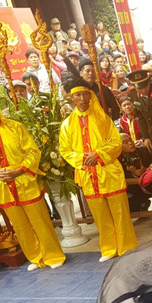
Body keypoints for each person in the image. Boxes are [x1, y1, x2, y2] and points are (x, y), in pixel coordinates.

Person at [0, 93, 65, 270]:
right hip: (2, 186)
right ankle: (36, 257)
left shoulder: (15, 127)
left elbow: (33, 152)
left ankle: (53, 255)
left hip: (24, 180)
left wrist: (19, 170)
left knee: (40, 220)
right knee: (20, 225)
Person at [59, 79, 137, 261]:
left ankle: (127, 247)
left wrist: (98, 155)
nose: (82, 98)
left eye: (85, 94)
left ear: (90, 96)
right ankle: (109, 248)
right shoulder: (67, 125)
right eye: (78, 95)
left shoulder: (103, 118)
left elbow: (116, 143)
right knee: (100, 215)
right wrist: (83, 159)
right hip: (87, 174)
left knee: (120, 212)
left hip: (109, 171)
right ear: (72, 98)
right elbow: (65, 150)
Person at [118, 133, 152, 212]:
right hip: (133, 189)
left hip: (150, 184)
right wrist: (133, 174)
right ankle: (142, 204)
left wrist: (145, 171)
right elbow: (120, 178)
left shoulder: (143, 150)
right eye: (125, 142)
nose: (130, 143)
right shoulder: (118, 160)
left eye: (130, 139)